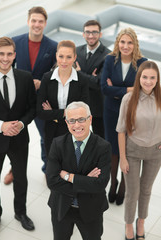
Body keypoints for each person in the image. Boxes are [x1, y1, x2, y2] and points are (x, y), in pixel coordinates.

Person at [4, 6, 57, 183]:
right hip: (19, 99)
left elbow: (55, 74)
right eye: (33, 20)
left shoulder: (52, 46)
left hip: (42, 100)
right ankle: (14, 169)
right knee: (16, 137)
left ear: (45, 24)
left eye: (40, 21)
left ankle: (47, 169)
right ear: (28, 22)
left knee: (46, 137)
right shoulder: (15, 42)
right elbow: (8, 69)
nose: (37, 24)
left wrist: (43, 83)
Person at [46, 101, 111, 240]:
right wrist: (86, 181)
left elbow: (100, 184)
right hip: (62, 207)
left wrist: (69, 176)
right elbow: (52, 181)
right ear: (67, 122)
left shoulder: (103, 147)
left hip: (91, 210)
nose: (77, 125)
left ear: (90, 119)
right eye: (72, 120)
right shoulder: (57, 144)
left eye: (81, 119)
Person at [0, 37, 36, 236]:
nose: (5, 58)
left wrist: (20, 124)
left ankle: (21, 212)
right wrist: (1, 125)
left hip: (19, 138)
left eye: (9, 53)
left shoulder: (25, 78)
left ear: (14, 55)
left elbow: (32, 108)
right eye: (1, 53)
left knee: (20, 178)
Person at [101, 28, 147, 205]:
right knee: (113, 150)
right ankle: (113, 183)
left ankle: (123, 187)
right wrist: (129, 89)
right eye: (122, 42)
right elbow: (104, 88)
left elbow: (143, 90)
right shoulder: (110, 60)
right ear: (117, 43)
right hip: (111, 112)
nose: (126, 46)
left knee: (126, 150)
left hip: (132, 113)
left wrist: (116, 90)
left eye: (129, 42)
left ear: (135, 44)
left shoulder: (143, 63)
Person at [116, 61, 161, 240]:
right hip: (132, 151)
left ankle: (140, 222)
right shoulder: (129, 98)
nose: (148, 81)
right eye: (145, 77)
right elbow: (120, 130)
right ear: (139, 78)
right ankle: (128, 224)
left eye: (152, 78)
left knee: (146, 190)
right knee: (132, 192)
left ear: (157, 79)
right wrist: (123, 158)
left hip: (155, 152)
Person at [37, 40, 89, 159]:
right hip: (51, 132)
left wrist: (54, 114)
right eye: (61, 56)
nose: (64, 61)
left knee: (71, 166)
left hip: (75, 132)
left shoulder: (82, 80)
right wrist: (67, 113)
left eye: (69, 57)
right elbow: (40, 112)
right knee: (53, 165)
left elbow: (84, 111)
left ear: (75, 57)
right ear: (56, 56)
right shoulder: (47, 78)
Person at [76, 20, 110, 138]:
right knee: (79, 138)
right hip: (79, 105)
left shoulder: (108, 56)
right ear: (83, 34)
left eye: (94, 32)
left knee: (100, 139)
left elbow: (99, 83)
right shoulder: (76, 51)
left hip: (98, 107)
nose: (91, 36)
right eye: (88, 32)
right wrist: (91, 77)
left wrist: (79, 73)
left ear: (100, 34)